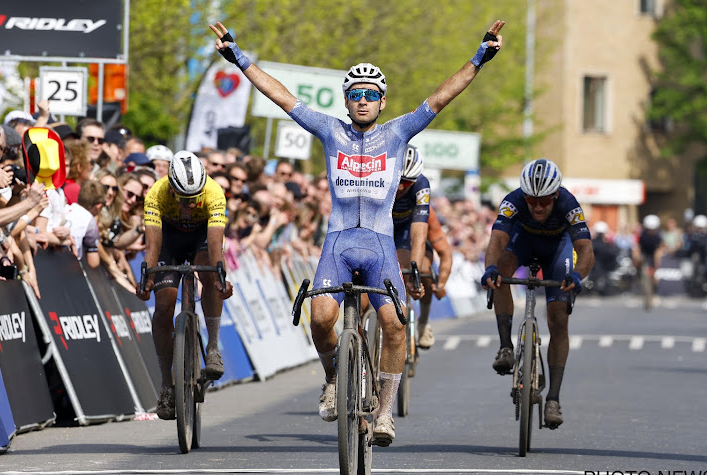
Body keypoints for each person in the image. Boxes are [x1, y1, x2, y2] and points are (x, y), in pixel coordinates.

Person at [211, 18, 505, 445]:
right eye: (355, 95)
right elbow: (281, 96)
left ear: (382, 102)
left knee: (394, 325)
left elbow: (442, 96)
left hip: (381, 245)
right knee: (320, 318)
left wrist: (480, 57)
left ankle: (384, 414)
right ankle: (334, 379)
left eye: (371, 95)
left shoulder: (399, 131)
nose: (363, 100)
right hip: (339, 242)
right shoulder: (330, 131)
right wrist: (239, 58)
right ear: (346, 101)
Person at [481, 159, 594, 429]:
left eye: (545, 200)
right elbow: (497, 240)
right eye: (532, 200)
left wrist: (577, 274)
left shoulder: (569, 204)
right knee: (501, 273)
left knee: (558, 319)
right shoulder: (513, 201)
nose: (538, 206)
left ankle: (553, 398)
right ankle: (506, 346)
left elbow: (586, 249)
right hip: (523, 243)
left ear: (556, 194)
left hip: (557, 250)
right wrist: (490, 269)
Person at [136, 150, 233, 420]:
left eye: (194, 199)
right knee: (164, 306)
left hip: (202, 237)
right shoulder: (157, 193)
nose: (190, 205)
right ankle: (167, 386)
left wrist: (220, 276)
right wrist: (149, 277)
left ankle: (212, 347)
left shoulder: (214, 193)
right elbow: (153, 243)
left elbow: (215, 243)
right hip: (169, 239)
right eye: (184, 199)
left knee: (212, 276)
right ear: (171, 187)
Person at [391, 145, 431, 344]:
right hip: (381, 226)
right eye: (398, 179)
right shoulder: (380, 176)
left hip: (405, 231)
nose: (400, 187)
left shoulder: (421, 185)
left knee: (406, 266)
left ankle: (405, 320)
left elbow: (419, 234)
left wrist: (414, 272)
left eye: (406, 183)